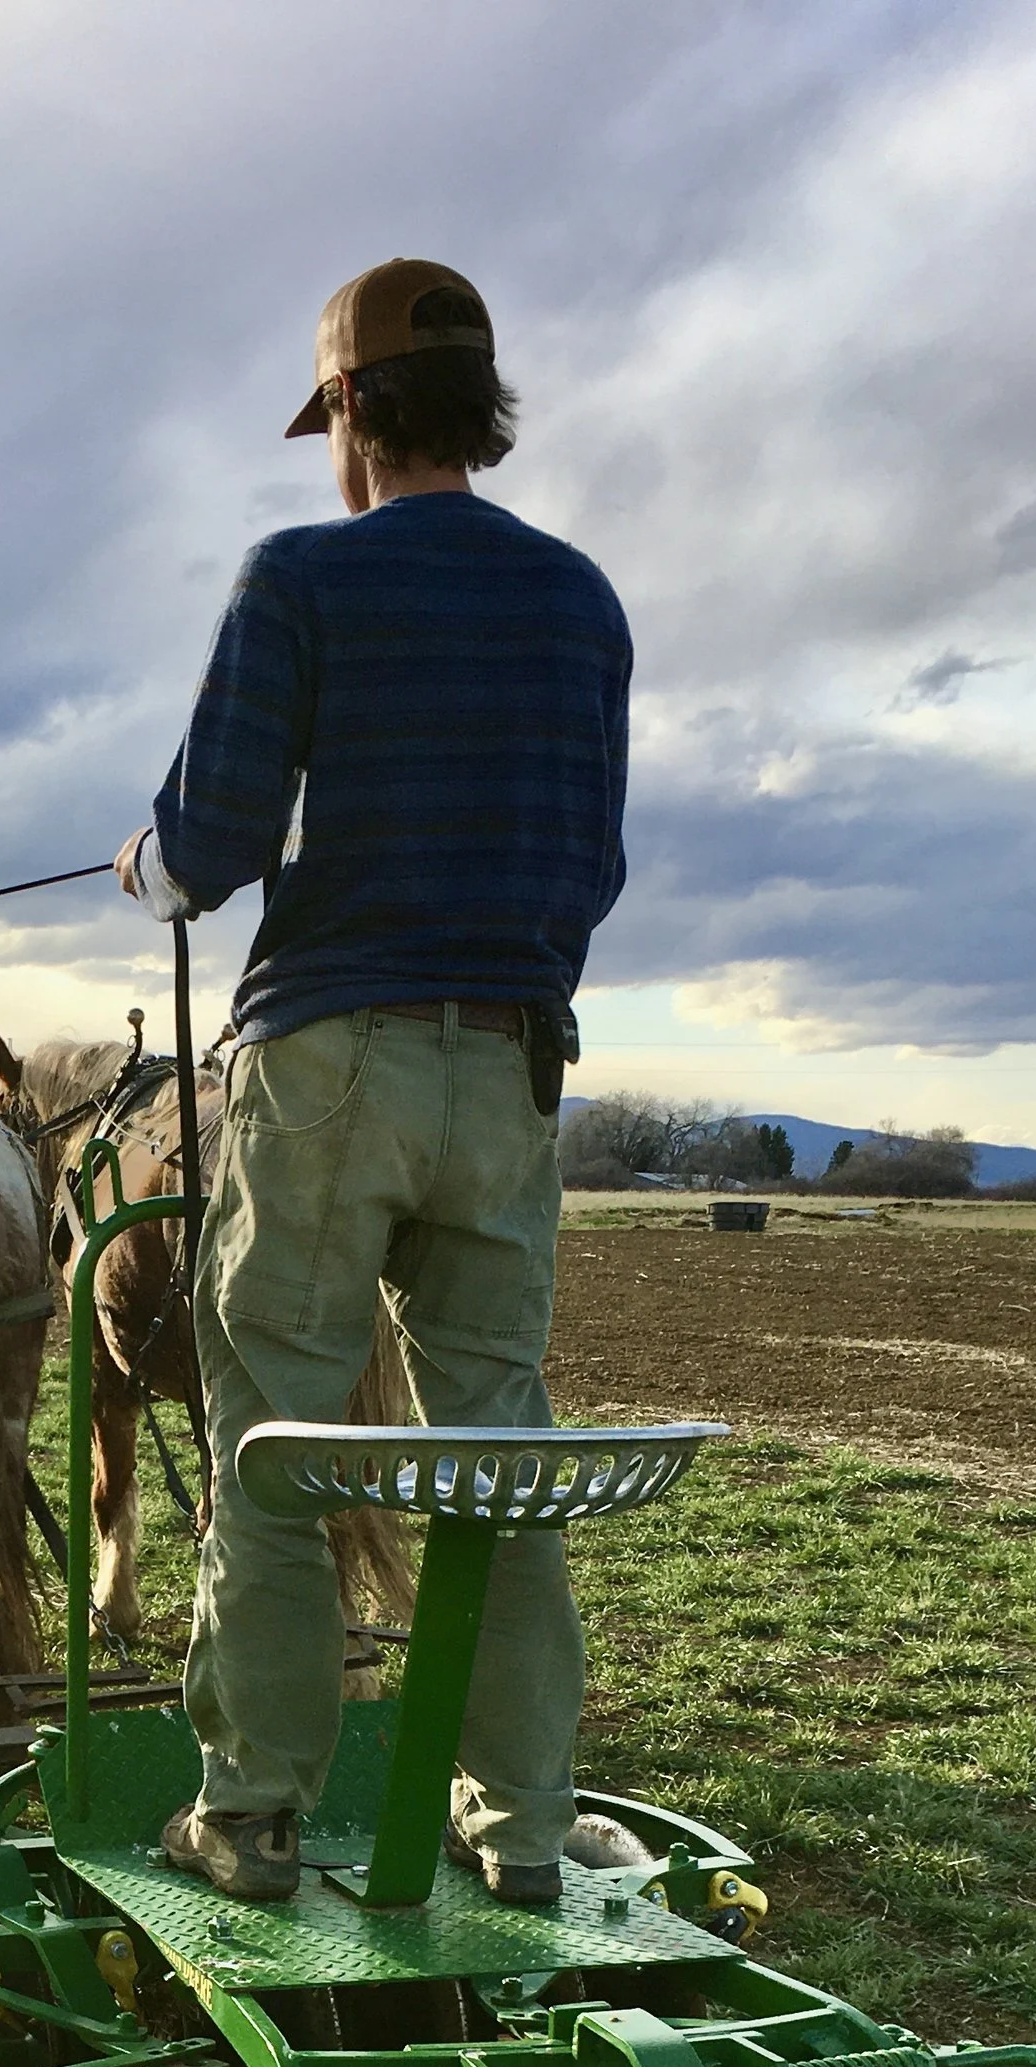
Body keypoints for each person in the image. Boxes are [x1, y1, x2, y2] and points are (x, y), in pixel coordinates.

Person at [118, 256, 630, 1908]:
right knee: (499, 1451)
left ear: (349, 408)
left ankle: (255, 1812)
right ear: (478, 404)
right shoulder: (581, 599)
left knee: (276, 1436)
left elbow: (205, 846)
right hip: (517, 1064)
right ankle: (525, 1824)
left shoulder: (300, 576)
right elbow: (596, 865)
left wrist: (147, 865)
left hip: (332, 1056)